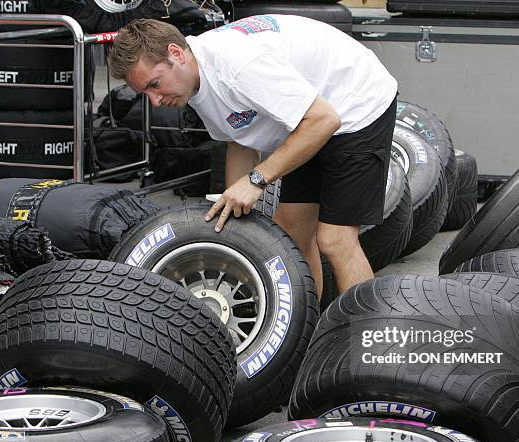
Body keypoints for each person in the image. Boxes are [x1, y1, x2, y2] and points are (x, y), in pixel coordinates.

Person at [109, 15, 398, 297]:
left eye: (154, 85)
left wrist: (256, 180)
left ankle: (368, 339)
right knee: (292, 233)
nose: (156, 101)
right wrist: (232, 213)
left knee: (335, 239)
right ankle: (306, 329)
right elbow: (241, 142)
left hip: (355, 103)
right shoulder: (194, 82)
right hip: (309, 117)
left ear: (176, 54)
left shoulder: (236, 65)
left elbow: (324, 121)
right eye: (145, 93)